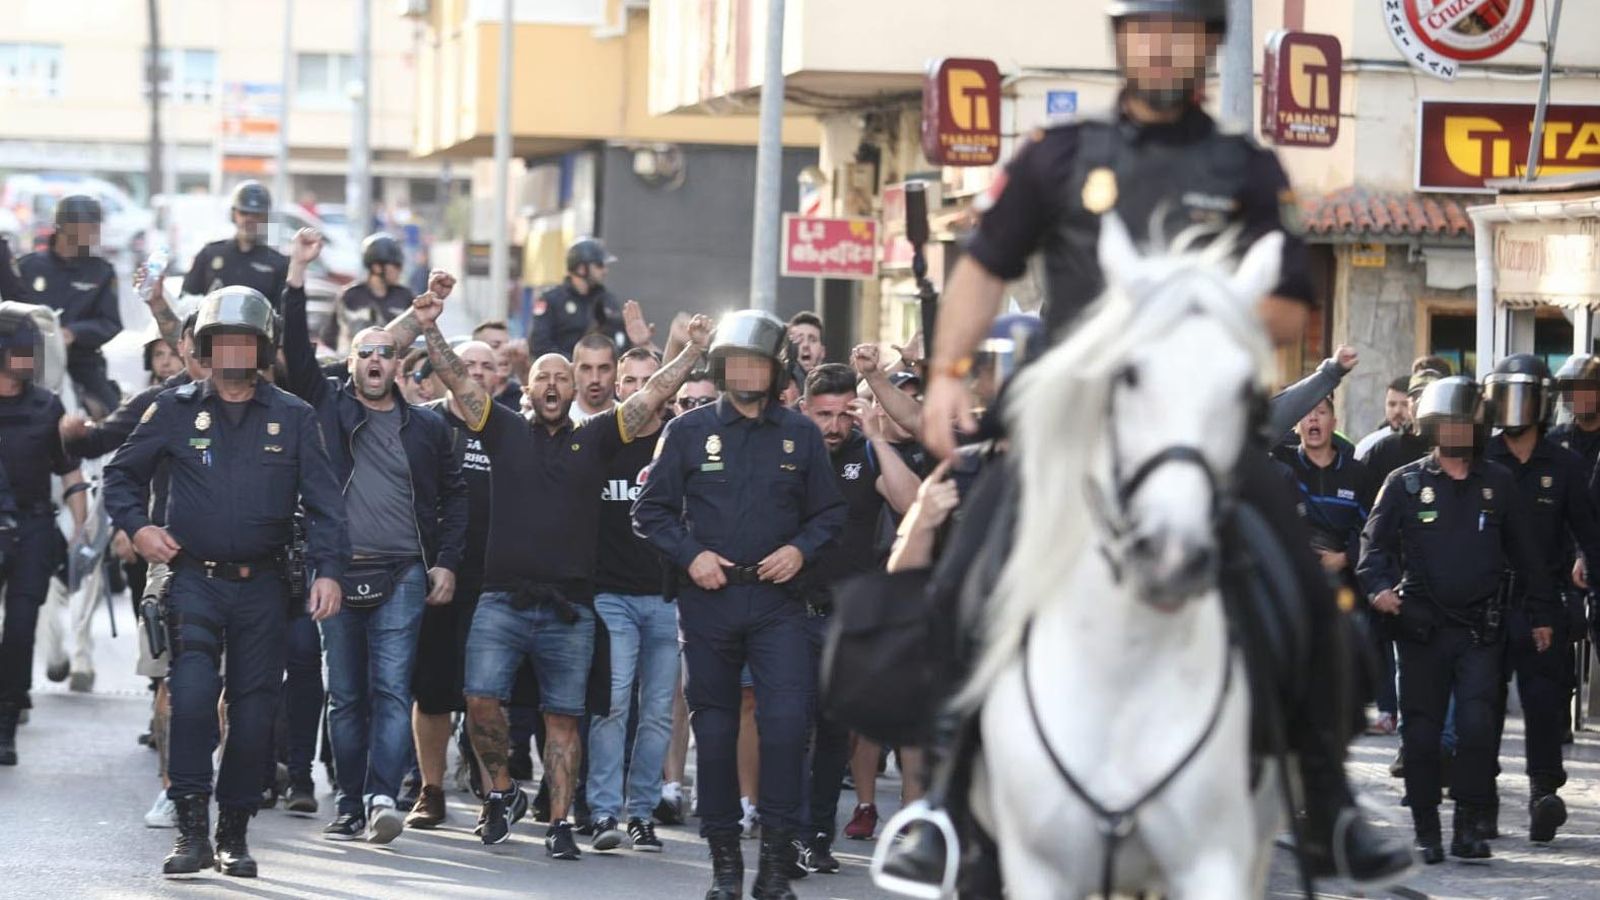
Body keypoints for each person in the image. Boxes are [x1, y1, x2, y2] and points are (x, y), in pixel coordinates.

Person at [905, 0, 1410, 888]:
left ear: (1209, 47)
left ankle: (1328, 798)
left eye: (1181, 31)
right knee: (964, 567)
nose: (1162, 48)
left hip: (1200, 424)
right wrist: (947, 371)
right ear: (1123, 43)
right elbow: (984, 266)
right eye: (1146, 30)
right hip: (1069, 430)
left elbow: (1293, 296)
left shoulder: (1246, 167)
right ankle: (945, 796)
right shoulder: (1055, 157)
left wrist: (1206, 317)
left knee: (1303, 583)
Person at [408, 275, 709, 859]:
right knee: (479, 701)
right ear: (528, 386)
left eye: (561, 378)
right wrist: (430, 328)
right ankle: (500, 795)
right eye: (542, 376)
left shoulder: (599, 437)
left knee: (564, 720)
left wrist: (693, 351)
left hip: (570, 607)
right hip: (500, 600)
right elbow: (457, 380)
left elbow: (651, 398)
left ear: (575, 389)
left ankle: (561, 822)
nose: (551, 384)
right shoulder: (500, 428)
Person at [103, 284, 349, 878]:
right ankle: (191, 831)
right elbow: (120, 477)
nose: (234, 350)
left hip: (264, 588)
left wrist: (330, 573)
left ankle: (234, 832)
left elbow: (325, 505)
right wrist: (139, 530)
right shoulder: (174, 409)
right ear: (208, 348)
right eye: (224, 340)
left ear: (261, 348)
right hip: (193, 581)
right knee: (189, 703)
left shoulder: (294, 416)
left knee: (255, 713)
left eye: (246, 340)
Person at [634, 309, 847, 900]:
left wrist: (800, 551)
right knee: (718, 734)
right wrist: (690, 555)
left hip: (779, 603)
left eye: (757, 361)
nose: (745, 372)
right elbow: (648, 511)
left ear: (777, 368)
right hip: (710, 602)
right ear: (721, 366)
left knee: (783, 728)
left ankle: (775, 867)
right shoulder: (688, 431)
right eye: (736, 361)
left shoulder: (800, 433)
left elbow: (830, 513)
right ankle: (725, 867)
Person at [279, 229, 468, 845]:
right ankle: (351, 801)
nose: (376, 362)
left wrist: (445, 562)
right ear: (351, 363)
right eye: (365, 354)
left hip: (404, 574)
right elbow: (296, 356)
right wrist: (298, 272)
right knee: (347, 696)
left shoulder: (427, 428)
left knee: (392, 691)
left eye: (386, 354)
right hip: (335, 568)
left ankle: (384, 793)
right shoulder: (328, 408)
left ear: (399, 364)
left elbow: (455, 497)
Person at [1357, 375, 1558, 864]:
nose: (1454, 433)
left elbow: (1528, 556)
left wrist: (1542, 614)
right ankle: (1427, 827)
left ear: (1477, 427)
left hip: (1478, 631)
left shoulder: (1499, 484)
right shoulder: (1404, 484)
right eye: (1446, 424)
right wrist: (1379, 589)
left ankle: (1469, 825)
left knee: (1476, 728)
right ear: (1431, 427)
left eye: (1463, 424)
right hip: (1422, 629)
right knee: (1422, 734)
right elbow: (1372, 548)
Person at [795, 362, 919, 873]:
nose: (834, 425)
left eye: (844, 414)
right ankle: (790, 833)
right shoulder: (790, 452)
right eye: (824, 414)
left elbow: (912, 501)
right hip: (791, 613)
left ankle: (817, 835)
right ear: (806, 410)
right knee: (789, 727)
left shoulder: (866, 452)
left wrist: (877, 437)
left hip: (845, 619)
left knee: (833, 736)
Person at [1482, 355, 1600, 843]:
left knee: (1546, 704)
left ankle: (1542, 795)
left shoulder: (1566, 464)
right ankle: (1478, 802)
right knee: (1481, 705)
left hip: (1545, 604)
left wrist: (1588, 584)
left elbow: (1589, 536)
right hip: (1486, 603)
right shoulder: (1480, 457)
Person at [585, 347, 678, 854]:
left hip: (665, 598)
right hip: (610, 597)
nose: (641, 388)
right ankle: (602, 810)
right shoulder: (601, 441)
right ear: (619, 387)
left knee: (659, 711)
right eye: (631, 380)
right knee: (612, 704)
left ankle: (641, 812)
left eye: (650, 379)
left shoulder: (680, 441)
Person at [408, 339, 499, 829]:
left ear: (500, 376)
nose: (478, 374)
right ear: (446, 370)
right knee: (433, 691)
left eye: (488, 366)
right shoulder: (423, 423)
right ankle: (432, 790)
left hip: (494, 582)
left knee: (487, 693)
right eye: (469, 365)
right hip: (433, 578)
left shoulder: (508, 427)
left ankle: (493, 798)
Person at [0, 303, 86, 766]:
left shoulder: (46, 405)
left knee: (19, 627)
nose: (29, 359)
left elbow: (69, 469)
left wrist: (80, 529)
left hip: (33, 527)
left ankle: (7, 720)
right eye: (19, 351)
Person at [1279, 395, 1394, 732]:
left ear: (1334, 422)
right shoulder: (1284, 468)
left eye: (1321, 413)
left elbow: (1370, 528)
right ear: (1297, 424)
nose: (1313, 420)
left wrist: (1344, 557)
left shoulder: (1357, 474)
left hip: (1346, 583)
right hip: (1298, 580)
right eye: (1306, 414)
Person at [17, 194, 123, 416]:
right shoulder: (28, 267)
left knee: (114, 418)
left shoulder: (101, 272)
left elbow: (110, 322)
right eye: (89, 224)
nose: (96, 230)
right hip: (28, 358)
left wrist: (73, 333)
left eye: (97, 224)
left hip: (80, 361)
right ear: (64, 226)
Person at [181, 181, 289, 307]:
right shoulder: (209, 254)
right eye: (244, 213)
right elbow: (186, 302)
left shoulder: (277, 264)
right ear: (234, 215)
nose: (249, 220)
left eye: (257, 215)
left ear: (266, 219)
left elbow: (283, 317)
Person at [530, 238, 626, 357]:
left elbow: (621, 340)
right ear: (581, 268)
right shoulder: (551, 300)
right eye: (599, 265)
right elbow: (539, 346)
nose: (605, 271)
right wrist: (576, 364)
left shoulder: (607, 300)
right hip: (564, 371)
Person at [321, 233, 415, 350]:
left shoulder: (404, 297)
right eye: (396, 265)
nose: (400, 270)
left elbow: (416, 337)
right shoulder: (351, 297)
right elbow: (330, 339)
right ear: (377, 267)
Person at [1361, 369, 1443, 483]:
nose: (1420, 404)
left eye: (1428, 397)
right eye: (1415, 398)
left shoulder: (1458, 449)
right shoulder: (1385, 449)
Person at [1354, 375, 1412, 460]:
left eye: (1405, 404)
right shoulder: (1369, 446)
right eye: (1392, 404)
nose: (1397, 411)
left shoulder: (1431, 447)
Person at [572, 333, 618, 425]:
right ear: (573, 371)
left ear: (617, 371)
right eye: (586, 368)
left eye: (604, 369)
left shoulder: (629, 421)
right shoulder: (558, 422)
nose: (595, 379)